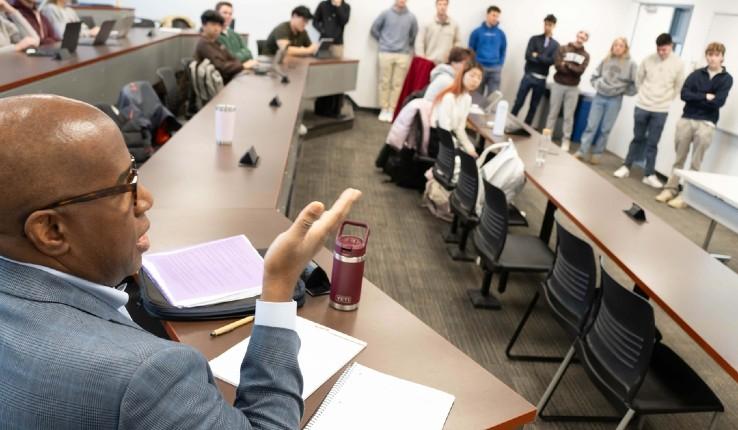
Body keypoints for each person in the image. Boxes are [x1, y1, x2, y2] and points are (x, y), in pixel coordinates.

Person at [0, 94, 362, 429]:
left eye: (135, 172)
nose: (146, 198)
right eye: (126, 185)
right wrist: (280, 284)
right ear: (51, 231)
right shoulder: (147, 377)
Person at [656, 42, 733, 208]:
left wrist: (698, 97)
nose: (712, 58)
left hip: (706, 123)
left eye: (716, 55)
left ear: (722, 57)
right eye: (710, 54)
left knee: (695, 163)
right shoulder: (696, 74)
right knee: (679, 158)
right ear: (706, 56)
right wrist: (706, 96)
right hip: (687, 119)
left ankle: (686, 196)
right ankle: (670, 189)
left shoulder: (726, 79)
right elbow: (684, 95)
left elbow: (719, 102)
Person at [613, 33, 685, 189]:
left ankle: (649, 174)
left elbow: (678, 87)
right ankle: (626, 166)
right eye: (659, 49)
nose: (661, 53)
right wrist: (644, 94)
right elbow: (639, 79)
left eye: (664, 50)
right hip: (642, 106)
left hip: (661, 110)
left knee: (653, 143)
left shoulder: (678, 64)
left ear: (671, 46)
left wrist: (665, 99)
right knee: (637, 138)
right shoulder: (648, 59)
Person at [574, 37, 637, 164]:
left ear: (625, 48)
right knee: (591, 126)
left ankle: (597, 154)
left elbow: (636, 84)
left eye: (621, 45)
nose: (618, 47)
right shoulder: (606, 60)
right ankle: (582, 151)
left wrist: (623, 91)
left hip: (615, 99)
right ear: (612, 47)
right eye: (615, 45)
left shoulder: (631, 64)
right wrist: (599, 85)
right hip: (599, 96)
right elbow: (594, 77)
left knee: (605, 129)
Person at [370, 0, 418, 123]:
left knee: (397, 84)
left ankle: (392, 109)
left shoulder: (411, 17)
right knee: (384, 81)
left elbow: (413, 35)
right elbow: (374, 29)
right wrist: (383, 41)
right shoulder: (385, 14)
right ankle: (384, 108)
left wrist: (406, 46)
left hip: (403, 55)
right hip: (385, 52)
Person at [545, 30, 590, 152]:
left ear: (586, 39)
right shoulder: (563, 48)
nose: (581, 38)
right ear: (577, 35)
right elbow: (558, 65)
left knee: (568, 116)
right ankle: (547, 136)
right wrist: (570, 67)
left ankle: (566, 140)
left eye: (584, 36)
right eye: (580, 35)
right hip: (558, 84)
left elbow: (580, 71)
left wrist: (568, 65)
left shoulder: (586, 55)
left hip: (573, 88)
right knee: (552, 113)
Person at [510, 14, 559, 126]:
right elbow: (528, 56)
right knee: (519, 102)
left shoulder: (555, 45)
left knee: (534, 106)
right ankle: (509, 122)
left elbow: (551, 61)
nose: (547, 27)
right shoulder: (534, 39)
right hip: (529, 76)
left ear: (554, 26)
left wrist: (537, 56)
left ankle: (526, 128)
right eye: (546, 24)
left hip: (542, 80)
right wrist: (542, 59)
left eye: (550, 25)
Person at [431, 61, 484, 158]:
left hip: (449, 138)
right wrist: (458, 148)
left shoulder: (467, 98)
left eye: (479, 77)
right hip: (438, 140)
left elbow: (460, 128)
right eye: (472, 76)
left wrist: (470, 148)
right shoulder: (449, 97)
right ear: (462, 75)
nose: (475, 80)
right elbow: (444, 129)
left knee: (475, 153)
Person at [195, 10, 256, 84]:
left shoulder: (215, 42)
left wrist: (241, 66)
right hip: (219, 85)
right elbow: (220, 67)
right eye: (213, 24)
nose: (217, 28)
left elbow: (231, 58)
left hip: (226, 80)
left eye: (219, 25)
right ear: (204, 25)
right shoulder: (204, 44)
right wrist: (242, 66)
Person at [468, 5, 506, 96]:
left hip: (495, 69)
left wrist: (500, 64)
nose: (495, 18)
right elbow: (471, 49)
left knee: (493, 96)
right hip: (479, 67)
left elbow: (503, 50)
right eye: (493, 15)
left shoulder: (501, 34)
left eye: (497, 16)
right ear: (487, 15)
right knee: (476, 94)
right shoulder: (477, 32)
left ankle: (490, 111)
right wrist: (474, 65)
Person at [415, 0, 460, 65]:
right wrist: (422, 58)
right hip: (429, 61)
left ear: (447, 6)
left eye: (445, 4)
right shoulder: (427, 23)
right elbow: (419, 42)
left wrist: (452, 56)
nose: (442, 7)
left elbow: (458, 42)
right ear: (436, 5)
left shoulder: (454, 25)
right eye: (440, 4)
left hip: (446, 63)